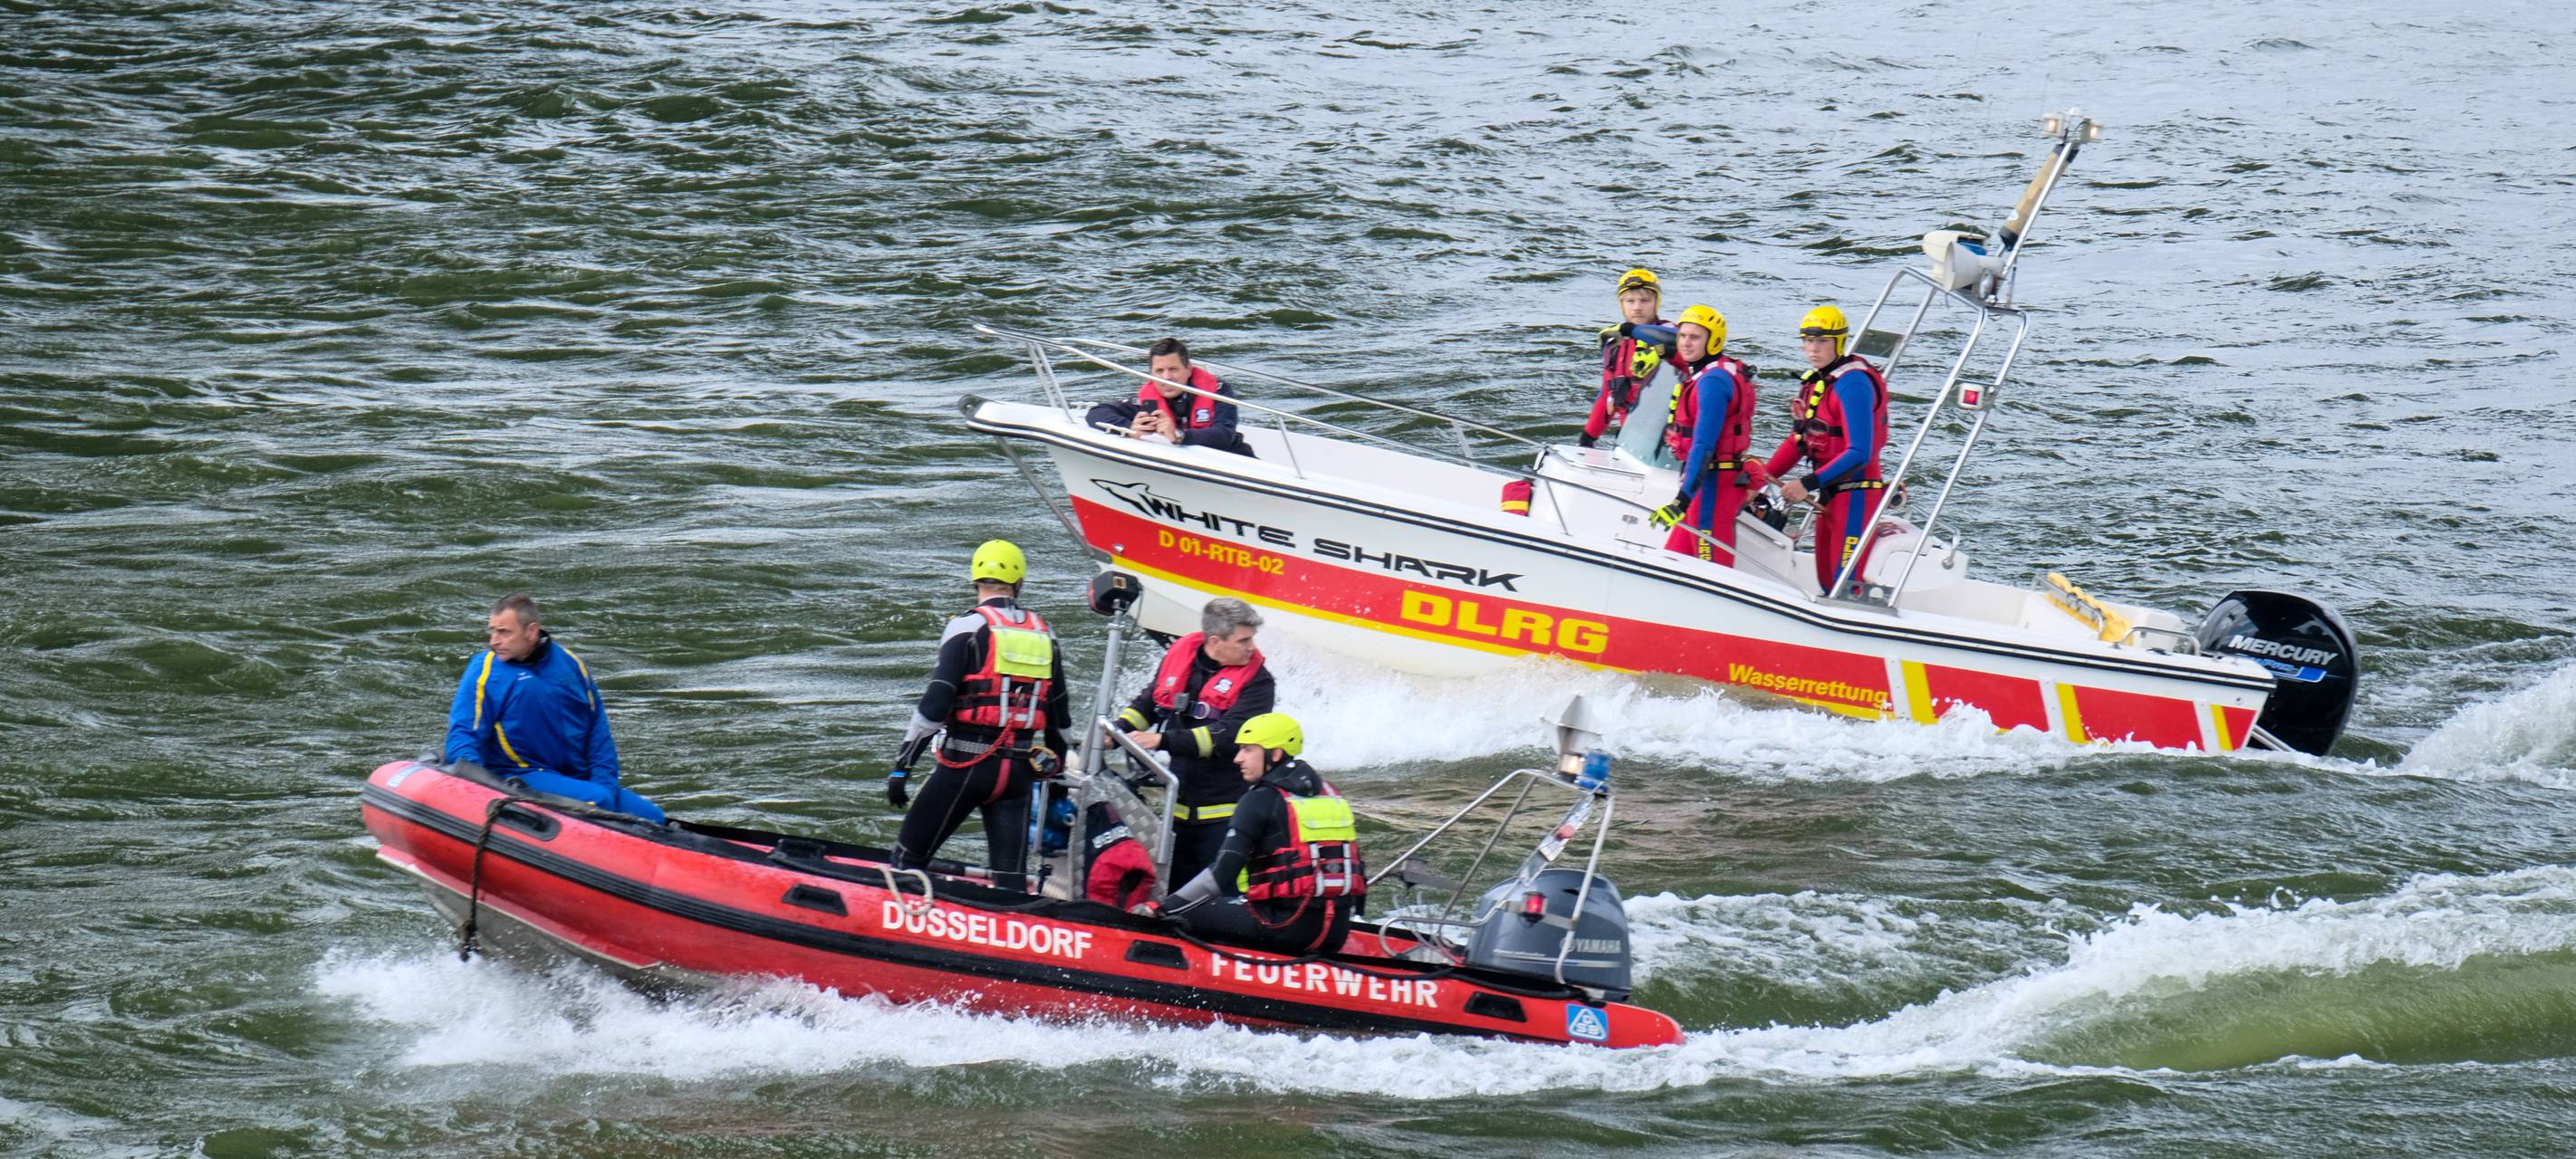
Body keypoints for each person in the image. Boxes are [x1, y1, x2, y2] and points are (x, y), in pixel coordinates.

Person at [886, 540, 1071, 891]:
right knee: (1010, 881)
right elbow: (1060, 718)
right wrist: (1056, 778)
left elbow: (934, 706)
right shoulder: (1046, 633)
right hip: (1018, 775)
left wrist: (902, 767)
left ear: (976, 581)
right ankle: (1011, 934)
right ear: (1019, 583)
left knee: (907, 860)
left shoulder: (966, 627)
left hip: (965, 766)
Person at [444, 594, 666, 824]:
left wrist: (606, 786)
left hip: (575, 777)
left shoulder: (571, 665)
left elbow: (598, 734)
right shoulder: (485, 672)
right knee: (597, 800)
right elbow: (463, 737)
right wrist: (482, 791)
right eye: (492, 631)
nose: (494, 641)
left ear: (531, 632)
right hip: (519, 775)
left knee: (654, 817)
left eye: (504, 632)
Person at [1162, 713, 1364, 955]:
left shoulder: (1258, 799)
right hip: (1336, 934)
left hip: (1283, 929)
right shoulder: (1332, 794)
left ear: (1275, 754)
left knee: (1186, 913)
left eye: (1248, 750)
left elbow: (1221, 875)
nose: (1237, 758)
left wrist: (1164, 907)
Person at [1113, 597, 1274, 886]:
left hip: (1225, 816)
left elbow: (1227, 736)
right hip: (1177, 812)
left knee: (1217, 896)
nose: (1251, 647)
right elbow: (1149, 703)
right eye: (1243, 641)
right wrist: (1116, 732)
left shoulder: (1259, 682)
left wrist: (1161, 740)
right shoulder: (1181, 658)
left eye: (1251, 639)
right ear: (1215, 641)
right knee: (1170, 893)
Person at [1749, 305, 1892, 596]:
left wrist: (1806, 484)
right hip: (1830, 493)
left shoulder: (1853, 385)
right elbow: (1798, 441)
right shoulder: (1817, 382)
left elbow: (1860, 451)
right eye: (1808, 341)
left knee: (1844, 584)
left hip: (1856, 495)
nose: (1813, 349)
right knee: (1826, 580)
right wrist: (1758, 479)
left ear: (1839, 342)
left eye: (1822, 342)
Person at [1648, 305, 1758, 564]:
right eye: (1682, 336)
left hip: (1714, 487)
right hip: (1703, 485)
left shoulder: (1713, 382)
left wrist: (1681, 501)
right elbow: (1651, 336)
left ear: (1713, 341)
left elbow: (1704, 445)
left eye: (1695, 337)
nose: (1685, 343)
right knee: (1671, 563)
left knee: (1711, 571)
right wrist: (1628, 331)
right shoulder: (1706, 370)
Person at [1081, 337, 1254, 456]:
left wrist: (1179, 435)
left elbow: (1224, 435)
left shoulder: (1218, 390)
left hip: (1233, 460)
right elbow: (1097, 413)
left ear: (1188, 369)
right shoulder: (1148, 402)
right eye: (1159, 371)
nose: (1166, 378)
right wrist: (1131, 429)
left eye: (1173, 369)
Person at [1579, 268, 1670, 448]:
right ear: (1622, 305)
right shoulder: (1613, 342)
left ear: (1656, 303)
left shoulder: (1672, 335)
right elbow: (1607, 393)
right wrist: (1589, 436)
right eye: (1630, 301)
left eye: (1645, 301)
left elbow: (1679, 346)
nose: (1637, 307)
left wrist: (1658, 351)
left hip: (1669, 436)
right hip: (1631, 434)